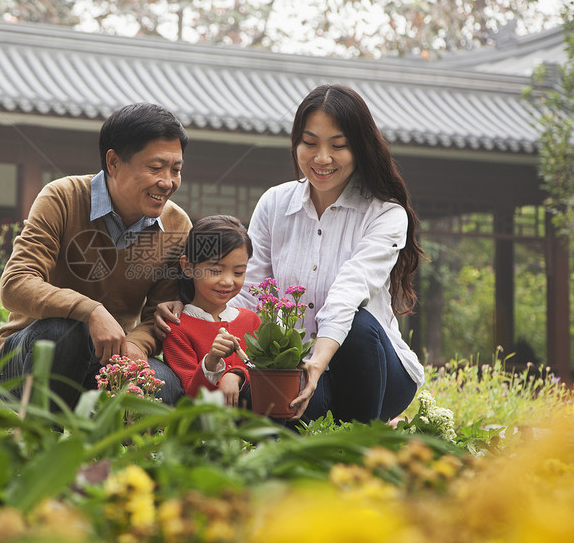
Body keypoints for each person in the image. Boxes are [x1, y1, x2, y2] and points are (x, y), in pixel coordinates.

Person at [157, 84, 425, 424]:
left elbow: (349, 291)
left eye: (338, 145)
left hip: (375, 370)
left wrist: (317, 361)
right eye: (309, 143)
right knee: (257, 399)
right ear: (296, 142)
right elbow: (249, 292)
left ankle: (363, 443)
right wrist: (199, 311)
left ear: (359, 148)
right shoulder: (274, 203)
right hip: (292, 372)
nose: (322, 158)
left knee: (357, 324)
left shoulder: (385, 214)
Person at [0, 102, 191, 410]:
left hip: (108, 359)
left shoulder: (178, 226)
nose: (167, 182)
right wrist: (90, 311)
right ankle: (41, 446)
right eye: (155, 168)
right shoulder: (62, 197)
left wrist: (137, 345)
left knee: (164, 385)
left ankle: (120, 459)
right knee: (63, 334)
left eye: (175, 170)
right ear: (113, 163)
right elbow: (16, 284)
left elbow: (159, 316)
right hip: (29, 354)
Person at [162, 215, 259, 407]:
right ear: (188, 267)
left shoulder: (252, 321)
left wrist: (236, 375)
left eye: (238, 272)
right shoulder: (177, 327)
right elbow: (190, 394)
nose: (228, 281)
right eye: (216, 271)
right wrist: (211, 361)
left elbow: (265, 370)